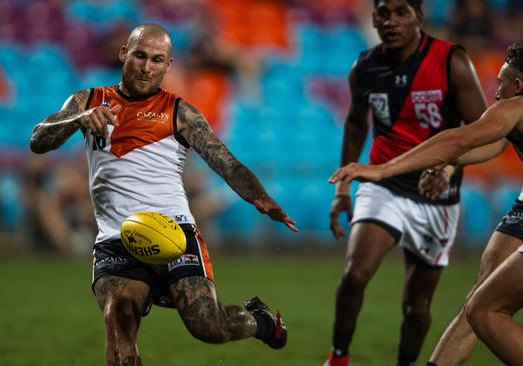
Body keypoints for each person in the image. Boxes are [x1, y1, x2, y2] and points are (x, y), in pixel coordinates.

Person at [29, 23, 297, 366]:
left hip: (174, 233)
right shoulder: (89, 100)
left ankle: (260, 321)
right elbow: (38, 140)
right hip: (116, 238)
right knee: (118, 324)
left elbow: (226, 164)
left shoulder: (180, 113)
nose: (146, 66)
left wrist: (262, 199)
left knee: (207, 326)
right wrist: (79, 119)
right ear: (124, 53)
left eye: (157, 59)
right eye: (140, 55)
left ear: (168, 65)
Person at [330, 43, 523, 366]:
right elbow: (489, 142)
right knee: (481, 298)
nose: (496, 92)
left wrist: (382, 169)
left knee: (485, 310)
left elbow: (458, 139)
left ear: (517, 85)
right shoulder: (511, 117)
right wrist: (448, 166)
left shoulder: (515, 107)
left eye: (501, 82)